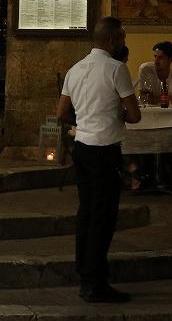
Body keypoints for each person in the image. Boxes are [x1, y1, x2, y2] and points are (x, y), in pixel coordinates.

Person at [56, 18, 142, 303]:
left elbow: (61, 113)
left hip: (82, 147)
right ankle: (95, 282)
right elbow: (135, 115)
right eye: (123, 38)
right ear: (114, 40)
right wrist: (116, 115)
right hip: (105, 150)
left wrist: (84, 122)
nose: (123, 43)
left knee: (86, 212)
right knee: (103, 217)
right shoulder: (117, 69)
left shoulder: (75, 69)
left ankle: (85, 273)